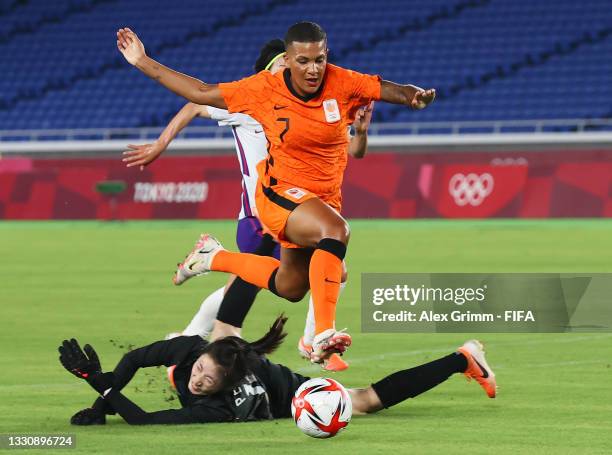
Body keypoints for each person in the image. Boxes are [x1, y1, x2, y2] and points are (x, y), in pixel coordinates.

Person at [116, 22, 436, 363]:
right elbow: (199, 94)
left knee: (291, 287)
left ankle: (212, 258)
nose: (312, 69)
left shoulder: (342, 83)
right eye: (302, 61)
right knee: (336, 233)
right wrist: (143, 61)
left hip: (318, 201)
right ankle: (320, 337)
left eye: (319, 59)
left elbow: (385, 90)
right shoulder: (262, 91)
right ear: (288, 58)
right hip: (276, 197)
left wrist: (412, 96)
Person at [59, 315, 497, 426]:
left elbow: (143, 420)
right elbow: (136, 358)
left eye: (208, 379)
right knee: (177, 343)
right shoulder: (196, 352)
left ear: (225, 385)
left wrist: (96, 382)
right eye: (200, 369)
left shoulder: (222, 408)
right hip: (240, 360)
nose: (199, 378)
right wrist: (101, 403)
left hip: (293, 394)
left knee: (364, 401)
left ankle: (464, 358)